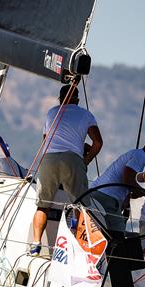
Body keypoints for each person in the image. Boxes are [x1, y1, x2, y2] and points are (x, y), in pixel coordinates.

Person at [29, 84, 103, 255]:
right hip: (72, 159)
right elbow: (98, 142)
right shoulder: (86, 115)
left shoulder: (52, 112)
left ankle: (35, 244)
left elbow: (46, 139)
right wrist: (86, 160)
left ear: (60, 99)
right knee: (79, 206)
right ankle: (76, 245)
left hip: (49, 159)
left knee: (42, 206)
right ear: (77, 100)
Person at [89, 133, 145, 232]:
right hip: (106, 198)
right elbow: (128, 179)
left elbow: (128, 184)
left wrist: (131, 194)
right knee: (118, 235)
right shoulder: (140, 155)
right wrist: (144, 192)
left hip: (96, 194)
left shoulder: (136, 155)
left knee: (104, 234)